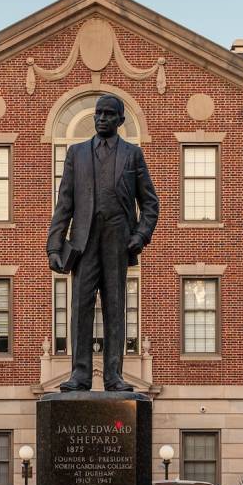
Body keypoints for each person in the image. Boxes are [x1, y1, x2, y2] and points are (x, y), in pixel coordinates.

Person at [46, 94, 160, 391]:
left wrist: (140, 235)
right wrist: (54, 245)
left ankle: (114, 375)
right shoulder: (76, 153)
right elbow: (64, 204)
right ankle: (80, 374)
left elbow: (150, 202)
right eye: (99, 113)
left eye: (109, 114)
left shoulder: (132, 154)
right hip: (83, 242)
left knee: (115, 307)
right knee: (80, 307)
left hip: (117, 241)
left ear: (121, 120)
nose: (102, 118)